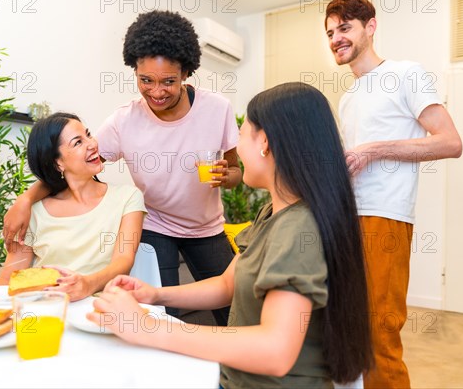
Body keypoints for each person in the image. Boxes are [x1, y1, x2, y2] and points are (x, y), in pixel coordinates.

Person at [88, 82, 373, 388]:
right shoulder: (273, 213)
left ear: (264, 141)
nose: (236, 147)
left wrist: (147, 327)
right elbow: (227, 284)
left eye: (241, 134)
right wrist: (155, 295)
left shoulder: (298, 230)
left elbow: (275, 350)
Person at [3, 11, 241, 325]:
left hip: (207, 228)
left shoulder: (218, 109)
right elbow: (74, 166)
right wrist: (25, 200)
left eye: (168, 81)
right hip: (157, 227)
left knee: (237, 311)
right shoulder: (123, 121)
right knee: (161, 316)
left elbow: (237, 174)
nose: (157, 91)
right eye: (146, 80)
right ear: (134, 72)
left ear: (186, 73)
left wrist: (228, 177)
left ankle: (234, 373)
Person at [324, 0, 463, 388]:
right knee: (348, 327)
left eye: (344, 28)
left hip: (384, 216)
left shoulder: (407, 74)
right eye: (330, 32)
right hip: (346, 221)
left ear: (370, 26)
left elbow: (450, 142)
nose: (336, 38)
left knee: (379, 334)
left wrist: (374, 149)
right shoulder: (347, 97)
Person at [0, 113, 146, 301]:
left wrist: (86, 285)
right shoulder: (32, 213)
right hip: (47, 311)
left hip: (100, 310)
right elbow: (9, 282)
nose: (92, 144)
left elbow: (123, 261)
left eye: (88, 135)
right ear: (58, 163)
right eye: (78, 142)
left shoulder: (127, 197)